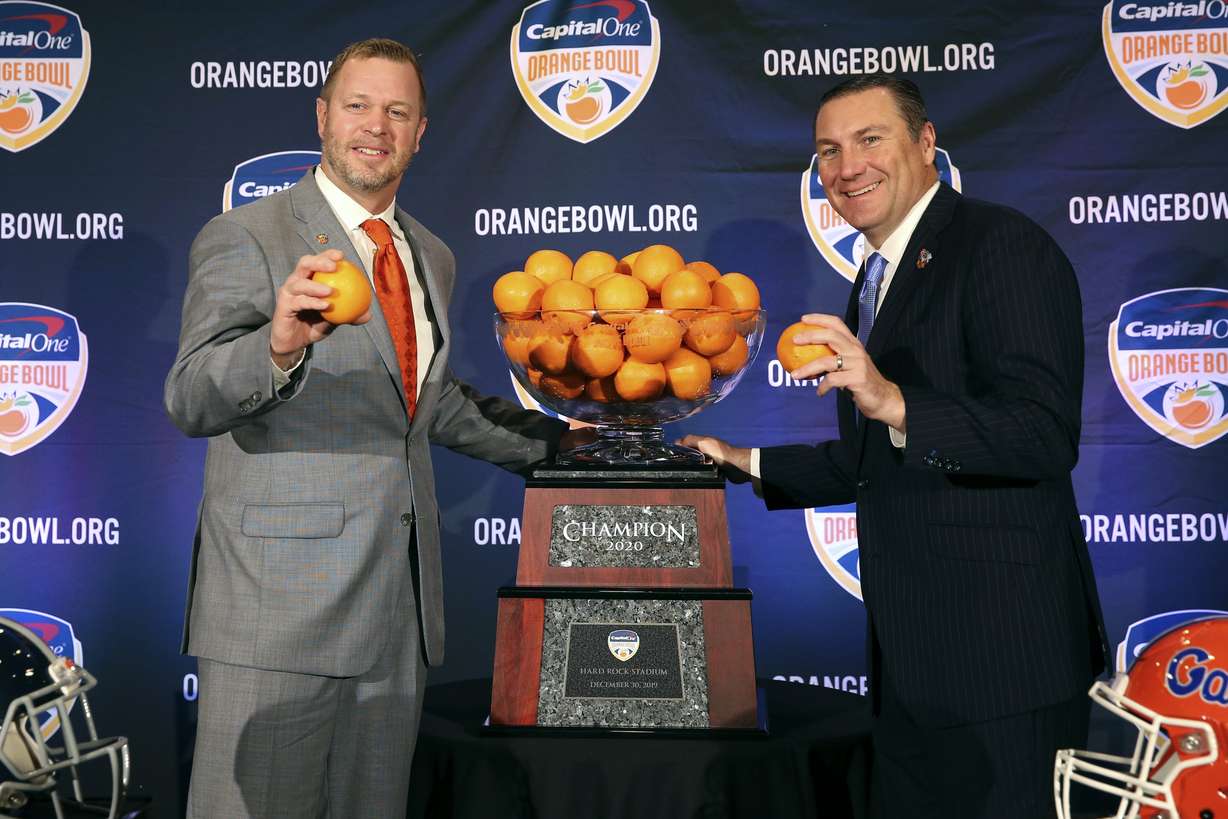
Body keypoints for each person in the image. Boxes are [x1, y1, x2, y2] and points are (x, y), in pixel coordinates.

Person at [164, 38, 578, 819]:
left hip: (397, 614)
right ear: (323, 118)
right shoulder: (248, 234)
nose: (375, 126)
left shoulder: (433, 255)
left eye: (398, 110)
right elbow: (191, 396)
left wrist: (572, 449)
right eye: (357, 105)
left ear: (421, 131)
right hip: (276, 615)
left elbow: (426, 405)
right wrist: (278, 343)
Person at [681, 73, 1109, 819]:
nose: (847, 167)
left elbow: (1042, 434)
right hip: (912, 669)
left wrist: (892, 399)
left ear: (926, 142)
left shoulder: (1001, 245)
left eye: (869, 139)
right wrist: (739, 459)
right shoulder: (874, 280)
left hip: (1004, 669)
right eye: (828, 151)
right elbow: (877, 459)